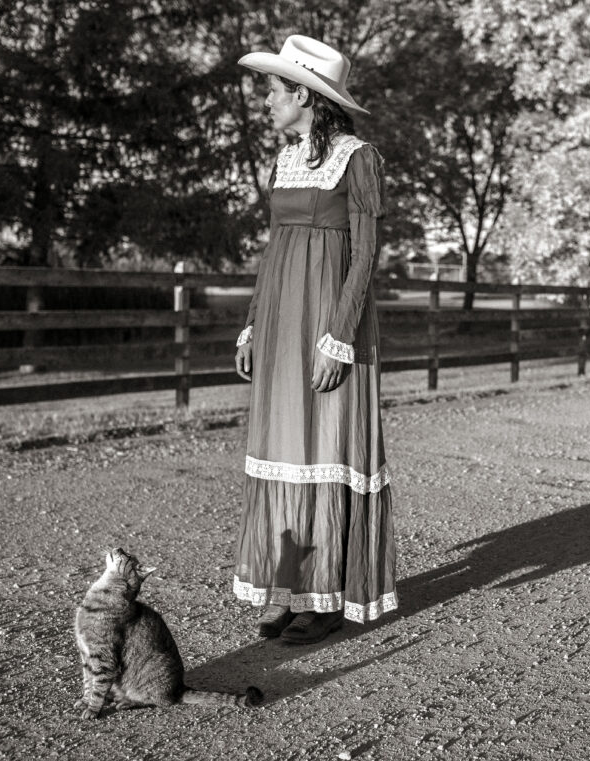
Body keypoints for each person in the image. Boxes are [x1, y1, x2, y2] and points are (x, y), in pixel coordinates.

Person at [231, 35, 396, 644]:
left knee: (324, 451)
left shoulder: (359, 158)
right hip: (280, 320)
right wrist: (252, 321)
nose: (268, 101)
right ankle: (287, 583)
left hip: (329, 323)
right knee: (283, 452)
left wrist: (339, 336)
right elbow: (275, 249)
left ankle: (324, 596)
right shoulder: (283, 160)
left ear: (303, 92)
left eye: (274, 90)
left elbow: (366, 254)